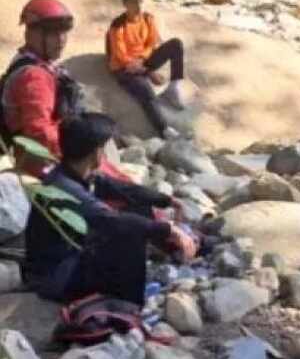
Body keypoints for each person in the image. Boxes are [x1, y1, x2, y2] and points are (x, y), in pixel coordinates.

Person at [22, 112, 197, 306]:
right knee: (128, 232)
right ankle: (128, 304)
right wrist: (168, 228)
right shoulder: (63, 187)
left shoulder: (76, 173)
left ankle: (178, 250)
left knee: (136, 206)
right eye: (103, 149)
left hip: (75, 251)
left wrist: (166, 200)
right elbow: (110, 220)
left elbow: (122, 188)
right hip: (57, 276)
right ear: (96, 152)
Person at [107, 0, 190, 137]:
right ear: (125, 4)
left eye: (141, 2)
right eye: (134, 3)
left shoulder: (148, 19)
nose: (139, 7)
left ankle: (173, 88)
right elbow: (121, 56)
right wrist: (149, 72)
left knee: (176, 44)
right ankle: (164, 130)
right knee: (146, 90)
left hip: (142, 61)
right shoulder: (117, 26)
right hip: (123, 68)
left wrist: (143, 60)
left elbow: (151, 44)